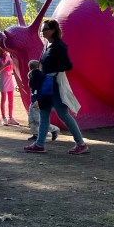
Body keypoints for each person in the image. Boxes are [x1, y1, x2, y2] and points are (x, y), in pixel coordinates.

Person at [24, 19, 89, 155]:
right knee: (44, 113)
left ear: (53, 30)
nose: (42, 31)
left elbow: (68, 65)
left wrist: (51, 73)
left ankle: (81, 144)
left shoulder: (59, 46)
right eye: (42, 29)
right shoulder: (48, 45)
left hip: (54, 85)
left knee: (63, 115)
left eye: (45, 29)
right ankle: (40, 144)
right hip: (47, 85)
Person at [25, 59, 59, 142]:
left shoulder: (38, 77)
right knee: (31, 119)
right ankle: (35, 134)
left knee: (38, 120)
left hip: (37, 102)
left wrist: (38, 100)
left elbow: (38, 90)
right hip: (33, 102)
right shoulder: (32, 76)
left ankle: (54, 129)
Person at [0, 43, 21, 126]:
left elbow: (12, 66)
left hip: (9, 78)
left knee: (11, 98)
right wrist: (6, 65)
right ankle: (3, 118)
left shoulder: (8, 55)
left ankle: (10, 117)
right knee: (3, 99)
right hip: (2, 80)